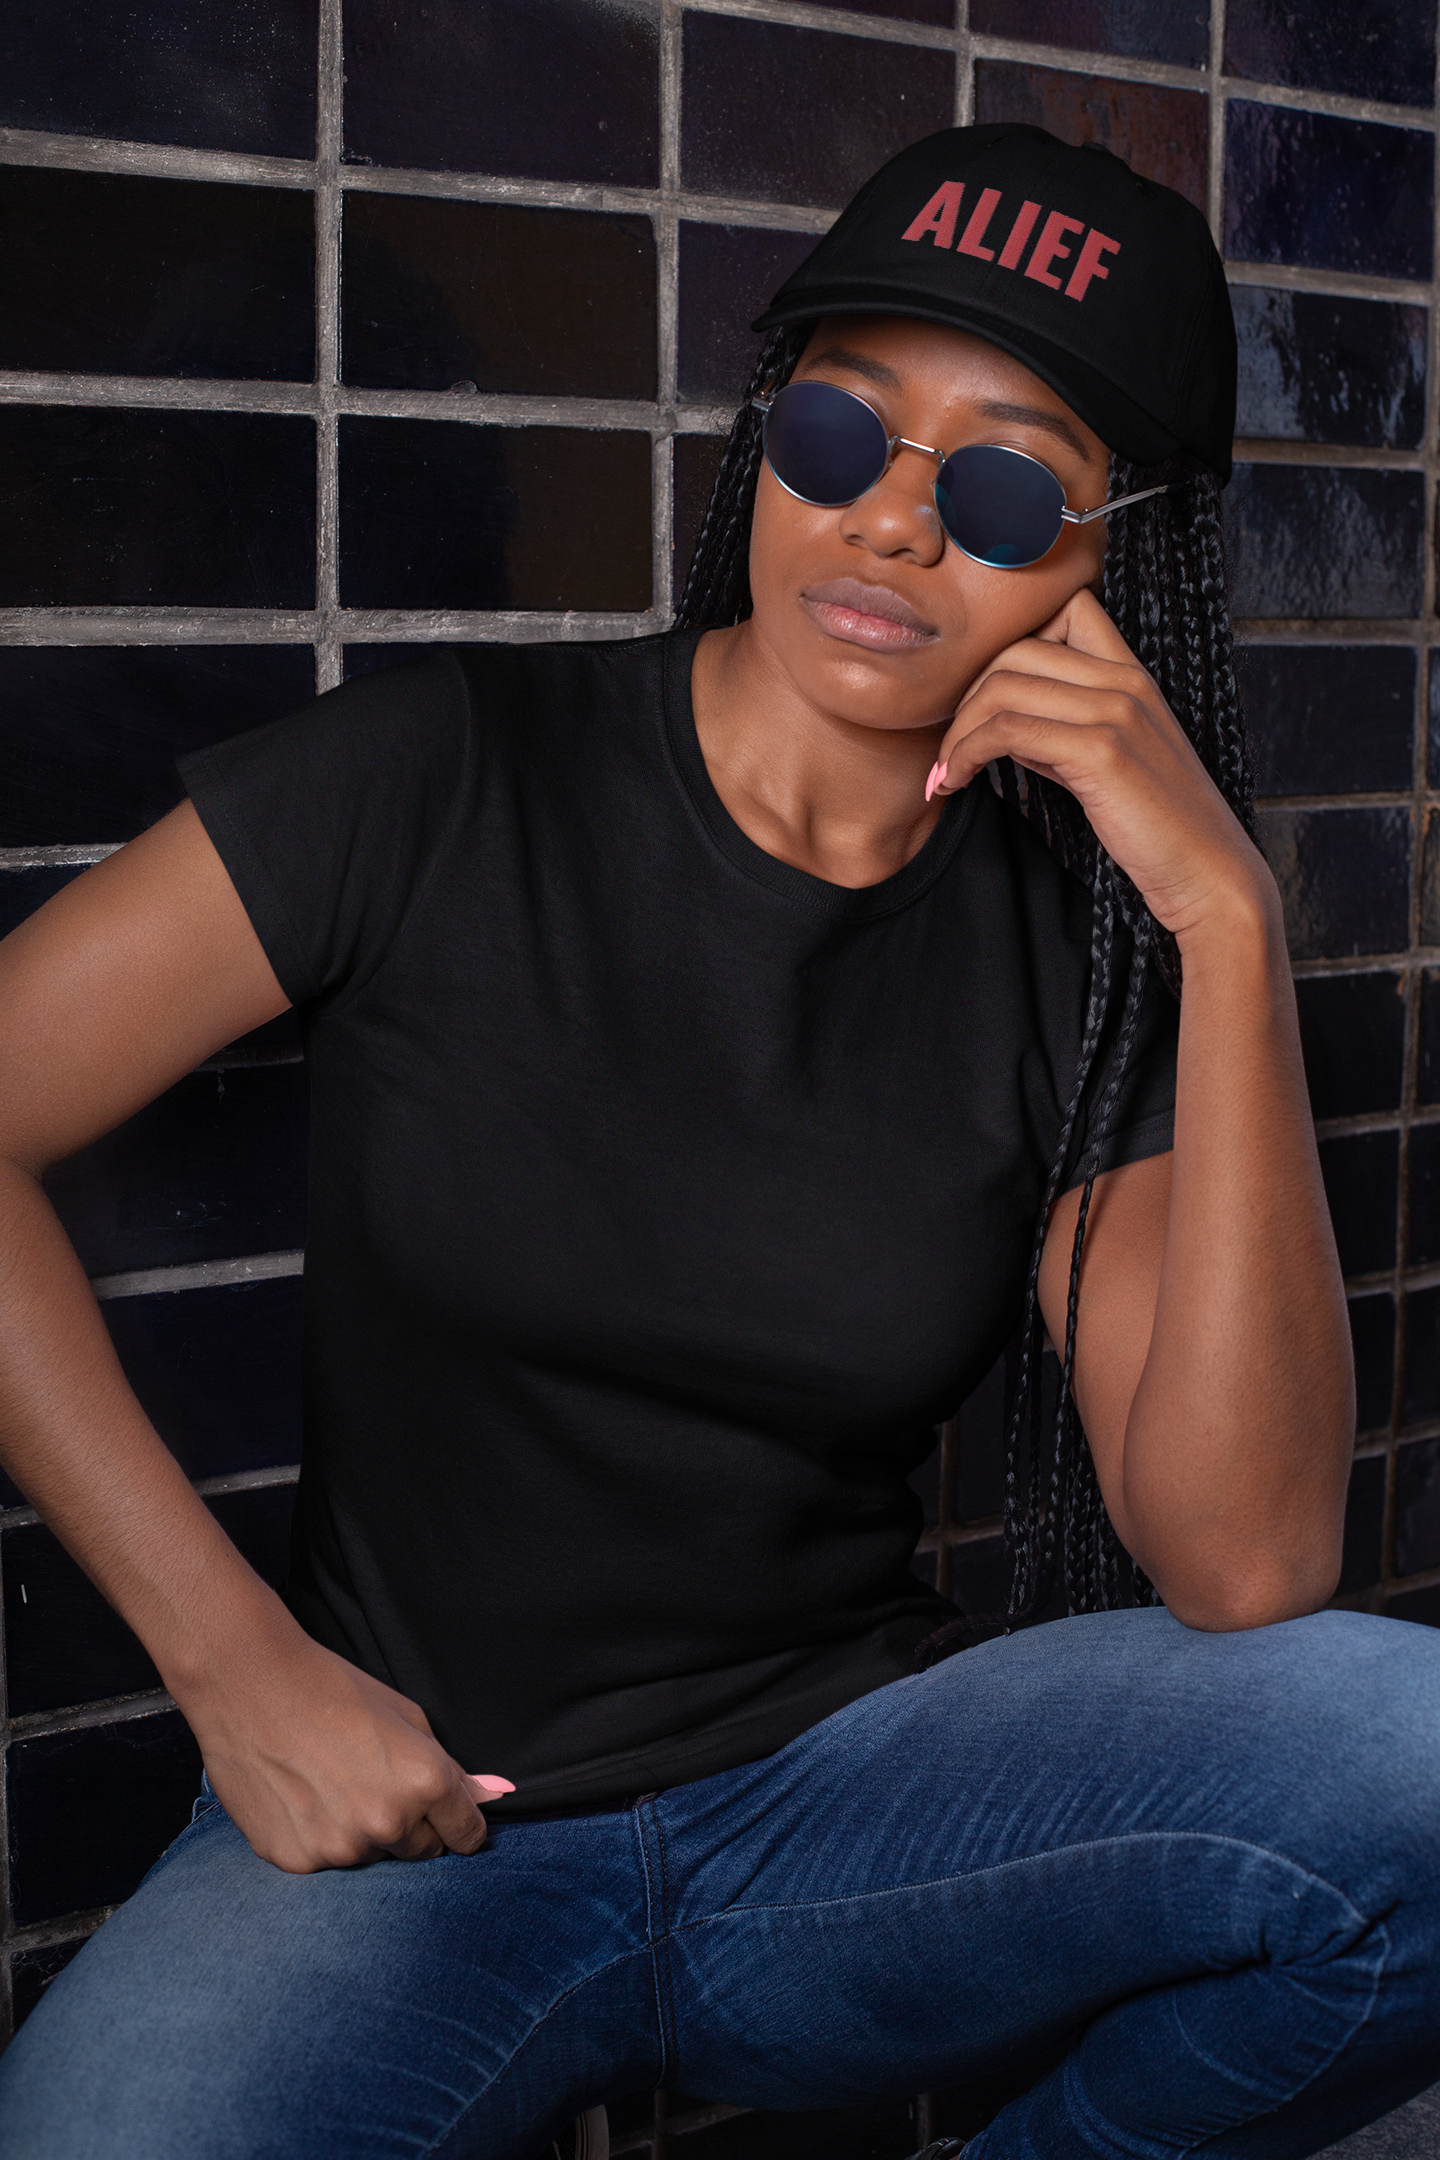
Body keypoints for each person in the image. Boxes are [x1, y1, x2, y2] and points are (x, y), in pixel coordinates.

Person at [0, 123, 1436, 2160]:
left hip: (848, 1817)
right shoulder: (441, 776)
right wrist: (237, 1668)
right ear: (770, 436)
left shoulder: (1081, 967)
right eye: (842, 432)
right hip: (427, 1828)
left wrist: (1227, 924)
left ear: (1109, 567)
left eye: (1006, 488)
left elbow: (1251, 1560)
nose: (893, 524)